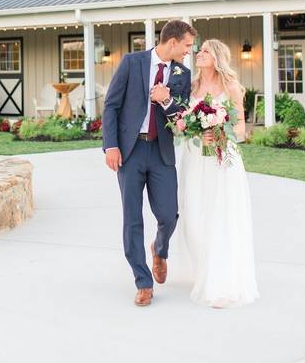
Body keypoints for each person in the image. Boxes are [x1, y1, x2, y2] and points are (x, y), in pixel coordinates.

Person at [102, 19, 195, 307]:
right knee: (132, 218)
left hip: (161, 151)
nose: (189, 51)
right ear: (172, 42)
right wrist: (111, 145)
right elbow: (111, 105)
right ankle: (143, 282)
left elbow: (182, 117)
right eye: (187, 45)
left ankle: (160, 248)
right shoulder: (133, 62)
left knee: (169, 214)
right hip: (129, 152)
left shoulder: (182, 73)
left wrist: (167, 100)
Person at [177, 38, 259, 308]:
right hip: (194, 158)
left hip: (222, 161)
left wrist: (220, 133)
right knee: (193, 216)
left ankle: (222, 282)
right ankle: (203, 268)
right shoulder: (192, 86)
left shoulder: (231, 86)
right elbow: (181, 123)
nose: (198, 54)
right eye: (198, 51)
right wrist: (190, 127)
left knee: (220, 217)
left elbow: (241, 129)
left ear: (217, 58)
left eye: (204, 52)